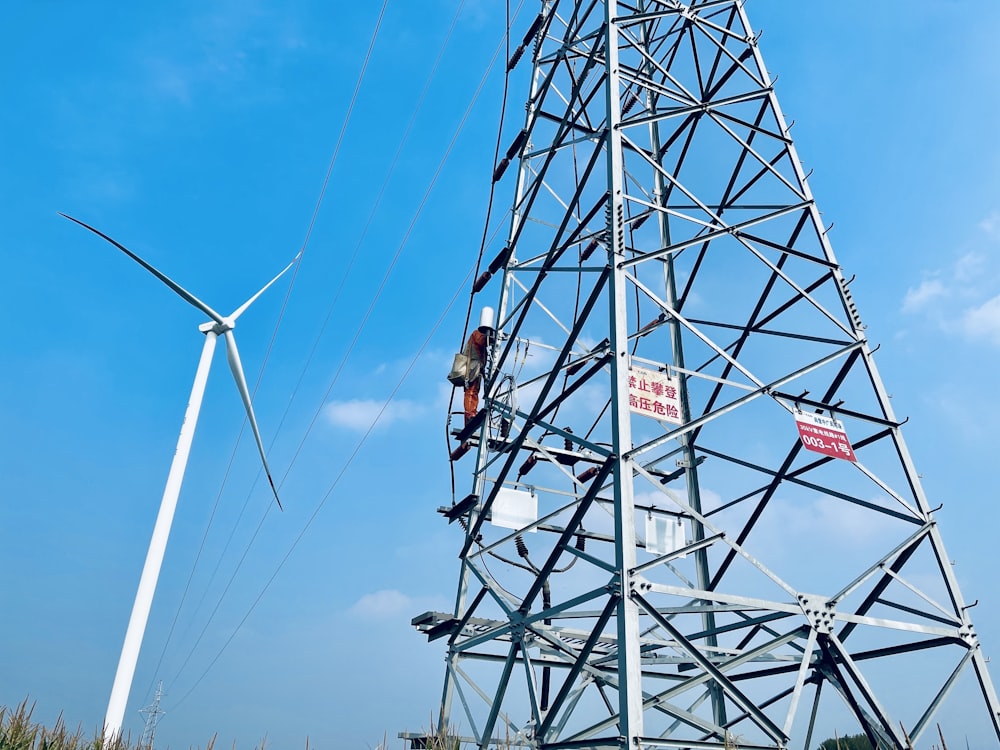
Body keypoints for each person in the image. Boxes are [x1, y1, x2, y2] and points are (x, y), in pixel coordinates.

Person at [463, 327, 487, 425]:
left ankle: (472, 413)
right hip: (472, 369)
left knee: (474, 392)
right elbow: (482, 341)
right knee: (471, 392)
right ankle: (470, 415)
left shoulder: (478, 336)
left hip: (476, 369)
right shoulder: (476, 334)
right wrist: (493, 338)